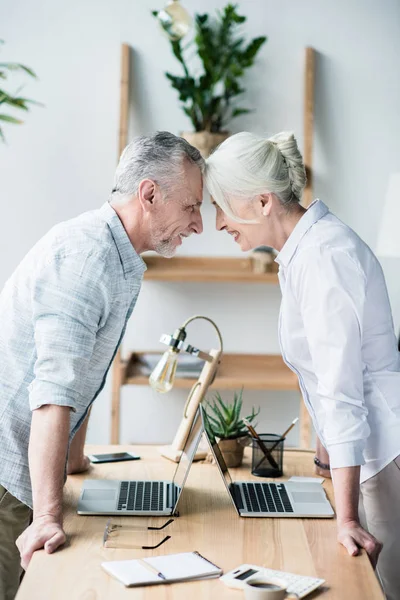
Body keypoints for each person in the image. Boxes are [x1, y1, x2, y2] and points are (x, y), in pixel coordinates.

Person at [0, 131, 204, 600]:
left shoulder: (118, 256)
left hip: (25, 472)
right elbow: (54, 391)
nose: (197, 226)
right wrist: (50, 517)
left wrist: (74, 462)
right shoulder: (88, 258)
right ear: (149, 194)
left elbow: (85, 370)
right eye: (191, 206)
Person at [205, 131, 400, 600]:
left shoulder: (324, 257)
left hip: (383, 457)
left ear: (263, 202)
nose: (216, 223)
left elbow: (341, 390)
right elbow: (322, 378)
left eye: (222, 206)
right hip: (364, 457)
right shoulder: (300, 254)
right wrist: (325, 467)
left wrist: (347, 517)